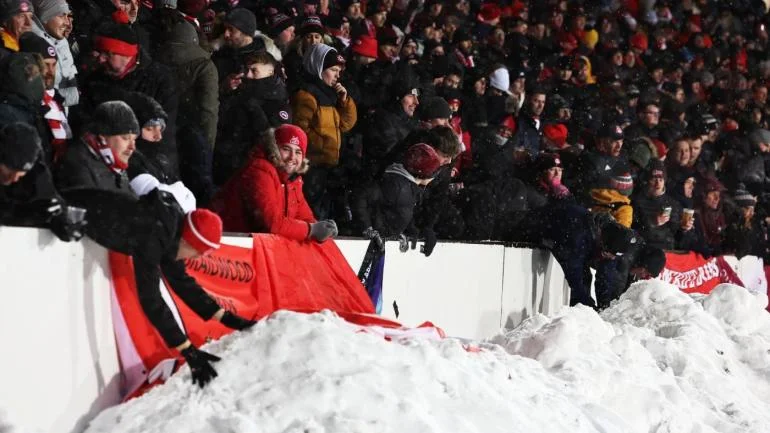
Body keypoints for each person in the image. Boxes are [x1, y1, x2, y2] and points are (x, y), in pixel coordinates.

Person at [210, 124, 338, 243]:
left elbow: (305, 217)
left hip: (252, 248)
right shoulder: (259, 170)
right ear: (274, 150)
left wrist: (324, 229)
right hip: (224, 246)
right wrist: (311, 230)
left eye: (298, 152)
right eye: (286, 149)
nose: (292, 157)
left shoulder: (292, 180)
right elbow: (271, 223)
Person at [291, 43, 357, 218]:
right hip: (311, 170)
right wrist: (327, 145)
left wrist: (344, 101)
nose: (337, 75)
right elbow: (300, 132)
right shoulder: (306, 96)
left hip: (326, 169)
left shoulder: (329, 94)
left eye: (339, 71)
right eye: (333, 70)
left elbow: (345, 124)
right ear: (318, 66)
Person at [0, 122, 84, 241]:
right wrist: (25, 215)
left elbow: (50, 201)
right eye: (8, 172)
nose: (14, 179)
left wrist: (61, 220)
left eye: (21, 174)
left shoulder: (36, 172)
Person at [353, 142, 443, 250]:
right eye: (433, 173)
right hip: (370, 245)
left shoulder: (408, 186)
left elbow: (401, 212)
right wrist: (367, 228)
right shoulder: (397, 185)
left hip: (381, 242)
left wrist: (413, 232)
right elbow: (360, 195)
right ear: (424, 174)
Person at [29, 0, 78, 106]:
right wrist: (72, 95)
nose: (67, 22)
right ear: (45, 18)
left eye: (67, 16)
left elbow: (71, 76)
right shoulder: (32, 43)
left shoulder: (61, 41)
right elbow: (36, 94)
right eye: (61, 16)